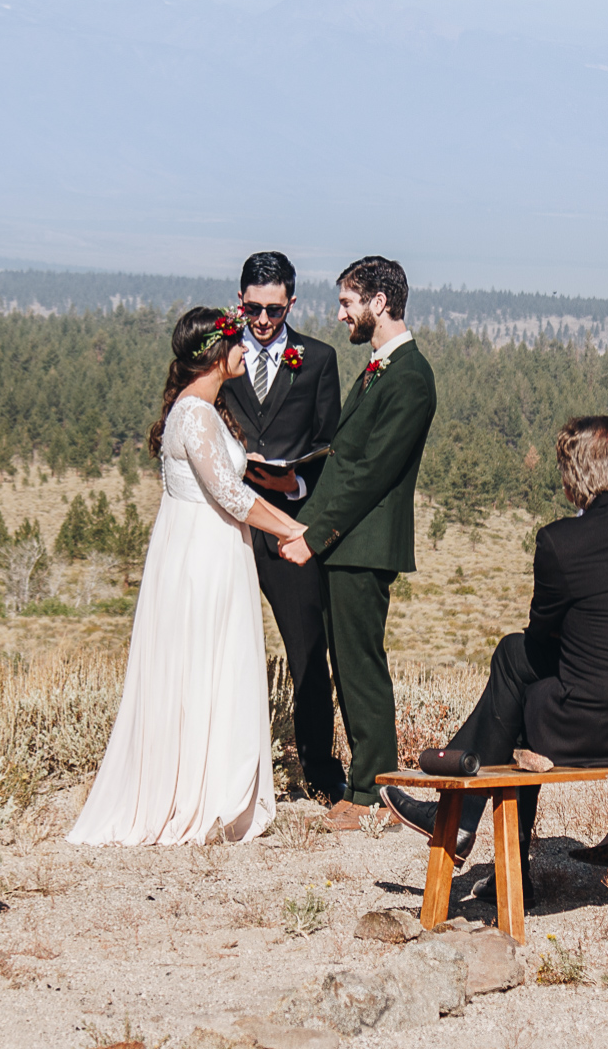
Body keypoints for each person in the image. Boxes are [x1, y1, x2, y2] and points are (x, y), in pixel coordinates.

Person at [377, 417, 608, 882]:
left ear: (573, 476)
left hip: (603, 733)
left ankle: (471, 828)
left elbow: (542, 637)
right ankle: (466, 823)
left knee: (517, 664)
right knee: (518, 662)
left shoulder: (563, 541)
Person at [68, 307, 311, 846]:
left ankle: (205, 784)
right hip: (204, 553)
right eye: (239, 343)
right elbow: (229, 494)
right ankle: (201, 796)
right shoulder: (197, 416)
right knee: (206, 660)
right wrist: (296, 530)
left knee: (205, 663)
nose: (247, 350)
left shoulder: (200, 409)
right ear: (215, 355)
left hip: (205, 544)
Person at [279, 256, 437, 831]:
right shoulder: (381, 368)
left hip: (364, 546)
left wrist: (313, 536)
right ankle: (365, 783)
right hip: (345, 542)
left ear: (380, 302)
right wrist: (303, 525)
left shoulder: (411, 377)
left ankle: (374, 790)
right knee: (347, 663)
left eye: (348, 302)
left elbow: (371, 471)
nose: (339, 312)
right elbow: (345, 464)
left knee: (360, 665)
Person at [223, 252, 346, 804]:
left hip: (287, 531)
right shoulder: (220, 353)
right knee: (220, 649)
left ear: (292, 302)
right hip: (225, 528)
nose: (264, 320)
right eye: (253, 308)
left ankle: (321, 772)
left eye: (274, 309)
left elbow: (328, 447)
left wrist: (291, 488)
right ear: (240, 300)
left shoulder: (317, 359)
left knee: (307, 653)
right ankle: (225, 772)